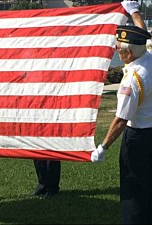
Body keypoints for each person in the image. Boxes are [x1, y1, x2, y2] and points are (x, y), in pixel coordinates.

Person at [91, 1, 152, 224]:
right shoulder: (149, 57)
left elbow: (121, 120)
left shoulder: (132, 81)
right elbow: (142, 34)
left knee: (133, 187)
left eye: (119, 48)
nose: (117, 50)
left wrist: (103, 146)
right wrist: (134, 11)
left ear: (128, 52)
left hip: (138, 138)